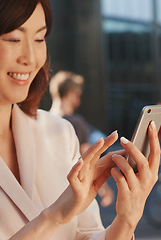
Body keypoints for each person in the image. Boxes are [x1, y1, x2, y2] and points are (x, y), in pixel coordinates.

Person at [0, 0, 161, 239]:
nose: (31, 59)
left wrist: (126, 221)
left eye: (39, 38)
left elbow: (86, 235)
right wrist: (55, 215)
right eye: (12, 39)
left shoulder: (58, 131)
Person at [49, 70, 114, 207]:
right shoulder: (75, 123)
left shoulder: (42, 119)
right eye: (78, 95)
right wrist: (105, 190)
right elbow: (88, 159)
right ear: (70, 94)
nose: (79, 99)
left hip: (48, 190)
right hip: (72, 191)